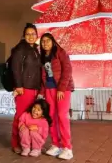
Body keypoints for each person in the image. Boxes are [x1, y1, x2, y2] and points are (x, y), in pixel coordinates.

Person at [39, 32, 74, 160]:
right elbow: (43, 78)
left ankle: (67, 148)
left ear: (53, 41)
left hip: (62, 89)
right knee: (51, 116)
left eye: (48, 40)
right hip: (49, 89)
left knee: (62, 116)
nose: (45, 43)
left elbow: (67, 70)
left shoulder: (61, 53)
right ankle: (56, 144)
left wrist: (61, 88)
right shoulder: (42, 57)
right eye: (43, 41)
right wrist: (41, 93)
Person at [11, 23, 41, 154]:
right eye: (28, 34)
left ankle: (26, 142)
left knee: (29, 117)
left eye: (33, 34)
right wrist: (18, 85)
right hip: (24, 88)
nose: (30, 36)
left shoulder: (35, 49)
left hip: (33, 88)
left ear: (36, 35)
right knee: (20, 116)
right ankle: (15, 142)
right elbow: (15, 67)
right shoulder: (20, 49)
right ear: (24, 36)